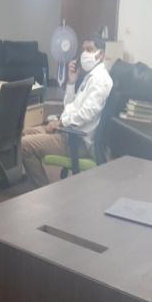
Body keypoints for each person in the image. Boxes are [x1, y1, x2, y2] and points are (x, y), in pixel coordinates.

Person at [21, 36, 113, 189]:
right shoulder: (90, 77)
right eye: (83, 49)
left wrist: (61, 122)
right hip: (66, 131)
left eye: (89, 49)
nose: (84, 54)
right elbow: (70, 107)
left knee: (24, 145)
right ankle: (28, 181)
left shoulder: (101, 80)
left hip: (77, 141)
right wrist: (71, 82)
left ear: (101, 54)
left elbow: (86, 113)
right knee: (24, 133)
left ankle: (41, 191)